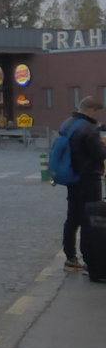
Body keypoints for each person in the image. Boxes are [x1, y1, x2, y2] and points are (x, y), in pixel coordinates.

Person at [60, 96, 106, 272]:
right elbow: (99, 155)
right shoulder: (88, 129)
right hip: (89, 179)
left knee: (72, 217)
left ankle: (70, 257)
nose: (98, 116)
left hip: (72, 177)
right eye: (97, 112)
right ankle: (90, 260)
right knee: (89, 220)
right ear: (90, 111)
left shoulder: (68, 124)